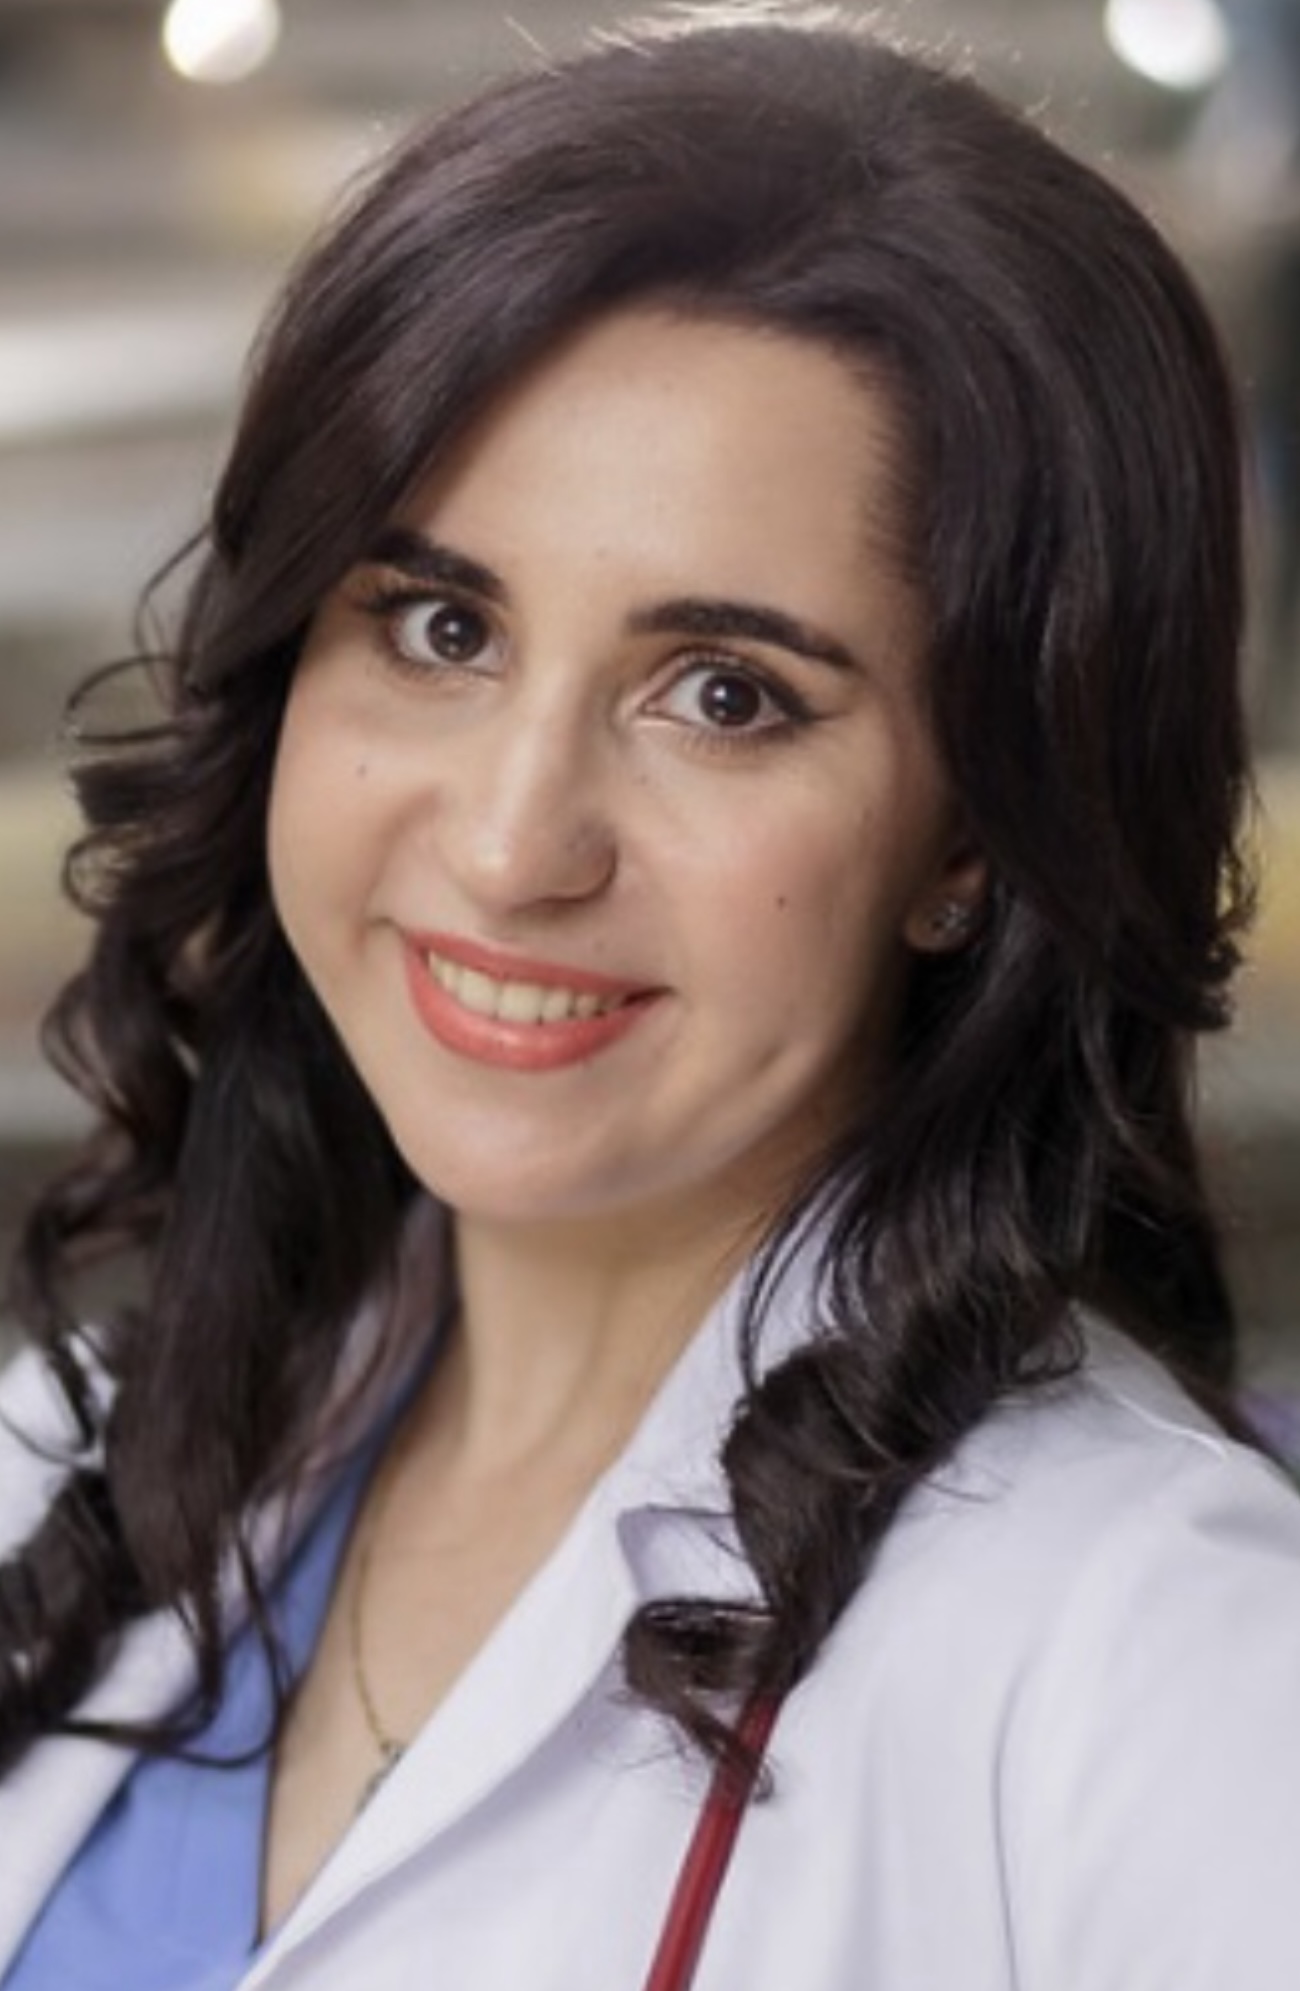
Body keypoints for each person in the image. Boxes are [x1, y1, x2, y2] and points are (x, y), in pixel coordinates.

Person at [2, 8, 1299, 1987]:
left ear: (977, 832)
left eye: (725, 695)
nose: (513, 844)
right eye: (441, 627)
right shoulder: (68, 1464)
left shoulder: (1159, 1661)